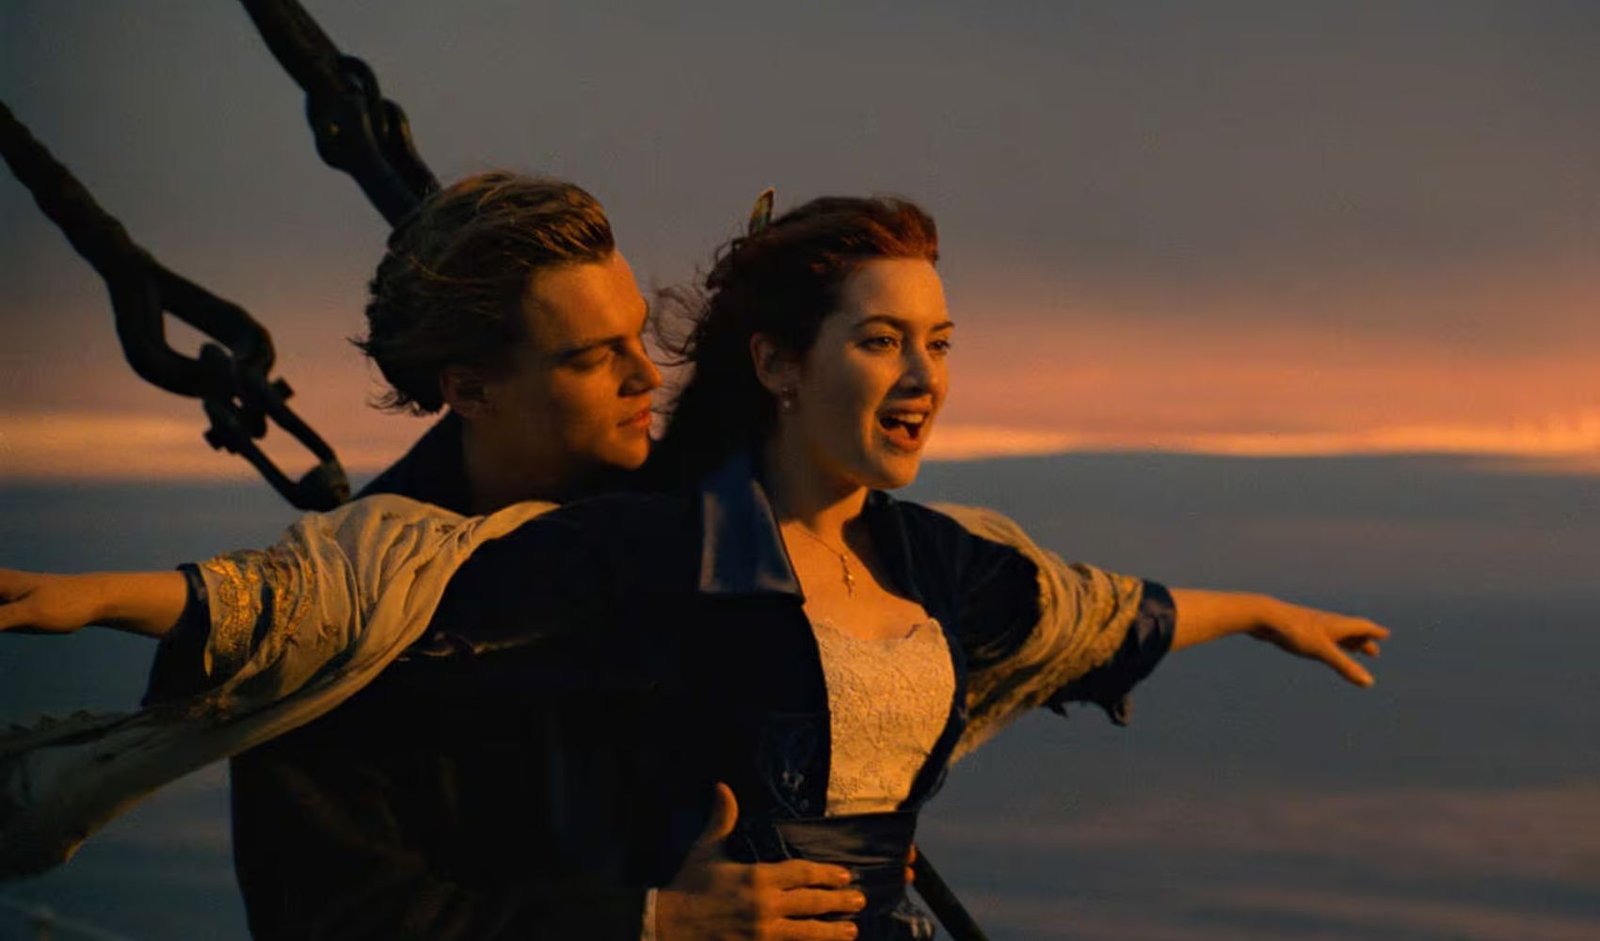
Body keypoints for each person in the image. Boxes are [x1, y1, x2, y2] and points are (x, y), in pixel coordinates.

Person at [1, 194, 1389, 941]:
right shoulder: (355, 642)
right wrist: (652, 924)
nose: (641, 377)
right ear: (470, 387)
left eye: (638, 338)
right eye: (591, 356)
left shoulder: (699, 521)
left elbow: (1051, 606)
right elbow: (346, 922)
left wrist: (1253, 609)